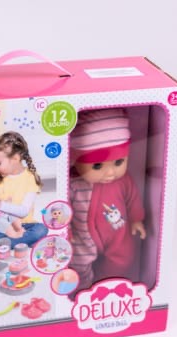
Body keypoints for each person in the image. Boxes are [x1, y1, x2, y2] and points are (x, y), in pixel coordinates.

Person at [68, 108, 146, 298]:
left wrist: (136, 219)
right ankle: (83, 292)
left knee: (123, 257)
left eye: (118, 162)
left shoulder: (124, 180)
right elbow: (63, 210)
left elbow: (133, 199)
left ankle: (107, 287)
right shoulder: (73, 184)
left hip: (117, 233)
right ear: (75, 160)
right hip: (81, 237)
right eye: (97, 165)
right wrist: (65, 231)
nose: (110, 173)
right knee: (77, 263)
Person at [0, 131, 48, 252]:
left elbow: (23, 212)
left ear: (15, 158)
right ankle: (21, 242)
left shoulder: (30, 178)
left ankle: (0, 244)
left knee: (41, 229)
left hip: (22, 225)